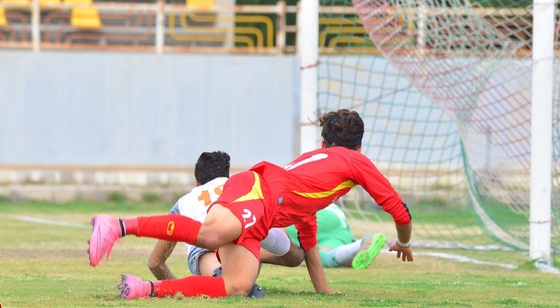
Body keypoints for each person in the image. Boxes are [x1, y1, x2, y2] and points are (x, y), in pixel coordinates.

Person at [88, 109, 413, 299]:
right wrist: (404, 241)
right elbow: (399, 210)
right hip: (256, 194)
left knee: (237, 285)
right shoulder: (354, 162)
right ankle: (116, 226)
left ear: (324, 143)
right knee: (209, 237)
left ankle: (146, 289)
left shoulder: (315, 168)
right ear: (358, 147)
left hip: (259, 202)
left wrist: (324, 294)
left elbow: (309, 244)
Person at [146, 151, 305, 298]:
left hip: (209, 248)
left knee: (207, 254)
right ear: (227, 176)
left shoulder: (184, 203)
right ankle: (292, 253)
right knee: (280, 248)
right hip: (245, 235)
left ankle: (220, 276)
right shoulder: (242, 188)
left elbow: (155, 262)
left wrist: (178, 286)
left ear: (197, 182)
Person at [283, 202, 387, 269]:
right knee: (321, 258)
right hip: (342, 227)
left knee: (279, 231)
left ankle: (356, 246)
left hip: (316, 210)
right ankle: (359, 245)